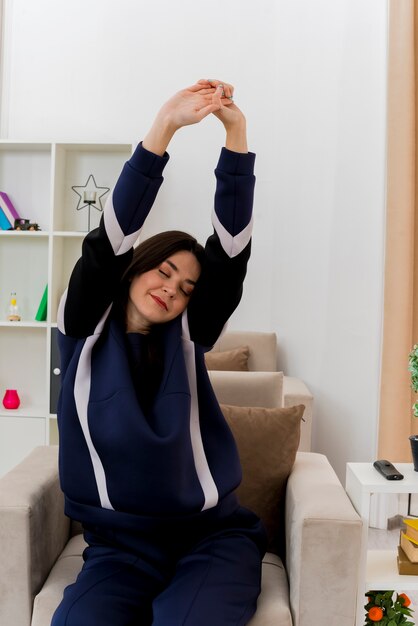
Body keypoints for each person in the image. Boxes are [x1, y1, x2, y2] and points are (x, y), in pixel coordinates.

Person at [52, 78, 267, 626]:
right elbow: (112, 233)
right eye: (163, 270)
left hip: (209, 539)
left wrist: (236, 134)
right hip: (119, 547)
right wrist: (164, 128)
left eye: (187, 287)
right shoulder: (83, 324)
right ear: (134, 267)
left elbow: (232, 248)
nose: (172, 288)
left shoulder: (191, 330)